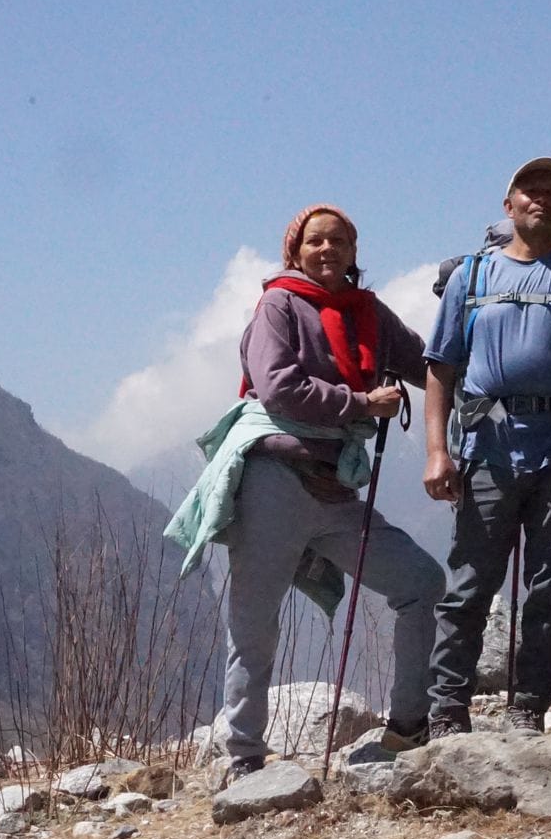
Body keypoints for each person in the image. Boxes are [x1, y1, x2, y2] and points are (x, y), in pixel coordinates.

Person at [166, 204, 445, 778]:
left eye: (339, 241)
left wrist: (474, 339)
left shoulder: (367, 311)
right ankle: (244, 755)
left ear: (353, 251)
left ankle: (411, 722)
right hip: (273, 480)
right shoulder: (279, 304)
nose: (327, 250)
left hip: (333, 489)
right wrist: (363, 405)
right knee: (254, 624)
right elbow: (277, 386)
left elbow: (426, 362)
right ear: (294, 251)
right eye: (315, 241)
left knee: (421, 582)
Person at [422, 156, 551, 738]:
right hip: (486, 451)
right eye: (528, 190)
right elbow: (440, 368)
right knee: (467, 587)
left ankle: (528, 707)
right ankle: (446, 713)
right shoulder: (472, 277)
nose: (541, 198)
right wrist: (437, 451)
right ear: (507, 206)